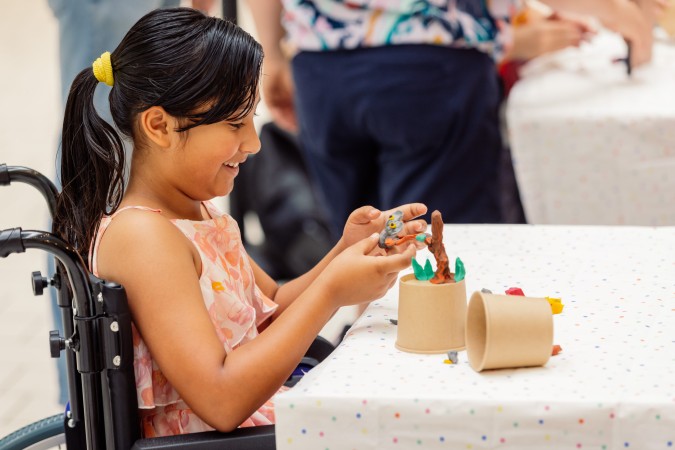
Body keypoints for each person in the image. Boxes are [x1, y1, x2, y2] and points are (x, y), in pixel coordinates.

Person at [53, 7, 426, 437]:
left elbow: (273, 307)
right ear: (160, 125)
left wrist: (345, 251)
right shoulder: (144, 238)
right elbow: (221, 399)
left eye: (252, 118)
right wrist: (331, 291)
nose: (253, 142)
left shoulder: (196, 214)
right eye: (235, 123)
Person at [247, 0, 656, 238]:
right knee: (438, 250)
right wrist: (617, 12)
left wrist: (275, 55)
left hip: (323, 71)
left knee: (363, 245)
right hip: (430, 71)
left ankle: (376, 377)